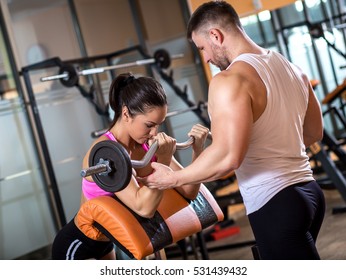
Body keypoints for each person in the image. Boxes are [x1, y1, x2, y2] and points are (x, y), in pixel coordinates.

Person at [138, 1, 326, 260]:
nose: (205, 58)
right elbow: (315, 132)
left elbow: (228, 158)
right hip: (310, 194)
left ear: (216, 35)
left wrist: (172, 178)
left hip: (275, 202)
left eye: (202, 48)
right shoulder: (292, 68)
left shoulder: (229, 80)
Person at [51, 72, 210, 260]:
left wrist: (198, 151)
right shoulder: (107, 153)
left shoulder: (145, 145)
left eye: (158, 125)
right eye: (149, 125)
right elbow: (143, 207)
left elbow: (189, 191)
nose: (154, 133)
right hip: (78, 245)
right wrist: (163, 160)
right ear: (126, 113)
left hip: (107, 242)